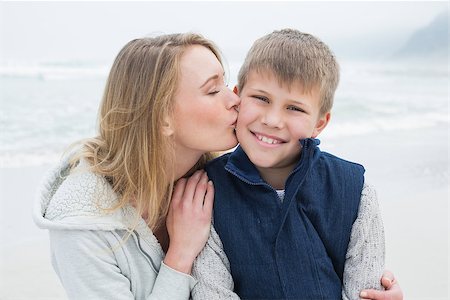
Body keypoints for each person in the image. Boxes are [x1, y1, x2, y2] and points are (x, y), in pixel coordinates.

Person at [191, 29, 403, 300]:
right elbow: (212, 293)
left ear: (320, 123)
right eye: (261, 98)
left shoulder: (354, 190)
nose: (272, 120)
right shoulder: (207, 190)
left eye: (295, 108)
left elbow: (364, 290)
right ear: (237, 96)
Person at [33, 33, 240, 299]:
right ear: (162, 117)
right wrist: (181, 254)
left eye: (226, 83)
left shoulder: (225, 181)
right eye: (213, 90)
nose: (234, 99)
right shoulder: (82, 228)